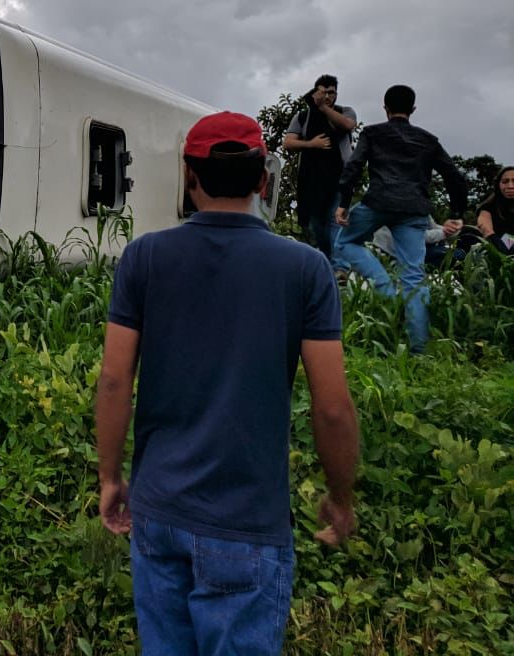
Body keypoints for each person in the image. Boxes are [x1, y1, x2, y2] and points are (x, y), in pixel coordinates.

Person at [97, 111, 360, 656]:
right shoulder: (306, 269)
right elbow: (333, 408)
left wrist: (110, 477)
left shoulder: (144, 257)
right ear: (264, 179)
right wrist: (340, 497)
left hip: (160, 509)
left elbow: (114, 381)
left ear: (188, 176)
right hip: (247, 522)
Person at [334, 85, 467, 354]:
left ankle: (384, 287)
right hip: (414, 209)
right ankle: (418, 351)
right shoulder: (428, 140)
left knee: (344, 242)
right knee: (414, 276)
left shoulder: (373, 133)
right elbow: (455, 177)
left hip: (377, 202)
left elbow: (354, 166)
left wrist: (344, 204)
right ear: (413, 110)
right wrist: (456, 214)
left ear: (385, 108)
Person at [282, 75, 358, 270]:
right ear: (315, 92)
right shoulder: (303, 117)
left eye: (331, 93)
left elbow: (348, 125)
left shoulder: (345, 112)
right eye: (322, 92)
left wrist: (323, 108)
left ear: (336, 94)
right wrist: (311, 144)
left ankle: (340, 268)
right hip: (312, 181)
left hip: (339, 179)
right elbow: (288, 142)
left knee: (336, 222)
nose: (327, 96)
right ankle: (325, 264)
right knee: (317, 226)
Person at [372, 217, 459, 269]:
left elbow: (432, 226)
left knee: (455, 253)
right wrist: (444, 232)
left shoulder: (418, 202)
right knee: (455, 255)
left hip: (406, 251)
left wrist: (454, 229)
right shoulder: (404, 203)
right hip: (395, 257)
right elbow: (418, 236)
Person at [475, 165, 514, 256]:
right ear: (498, 185)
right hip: (493, 251)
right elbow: (486, 231)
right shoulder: (488, 207)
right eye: (505, 182)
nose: (510, 186)